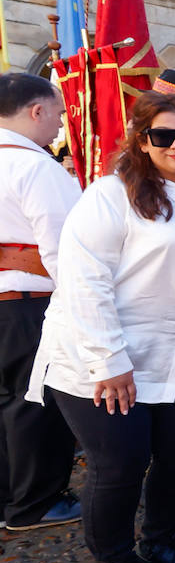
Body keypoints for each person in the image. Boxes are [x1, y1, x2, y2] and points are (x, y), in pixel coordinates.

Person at [28, 92, 175, 563]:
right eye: (163, 135)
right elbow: (86, 281)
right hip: (102, 355)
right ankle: (114, 560)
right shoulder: (110, 196)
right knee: (121, 462)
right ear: (142, 141)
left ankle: (162, 541)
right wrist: (109, 360)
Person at [0, 73, 81, 532]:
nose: (59, 125)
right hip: (28, 304)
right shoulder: (35, 167)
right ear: (35, 111)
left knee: (6, 402)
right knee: (38, 402)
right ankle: (36, 502)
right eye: (56, 113)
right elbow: (63, 248)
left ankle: (8, 498)